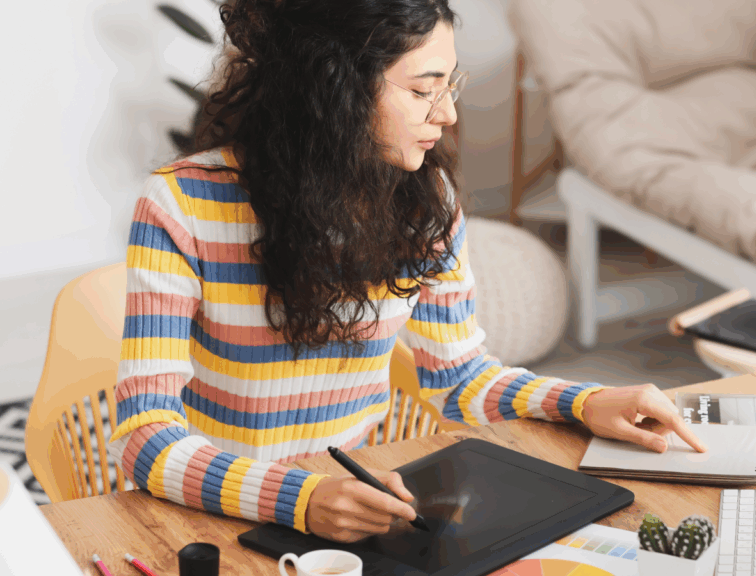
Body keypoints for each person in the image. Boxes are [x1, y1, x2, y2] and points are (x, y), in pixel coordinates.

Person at [109, 0, 706, 544]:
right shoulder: (183, 203)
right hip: (217, 515)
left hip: (359, 511)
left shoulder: (428, 200)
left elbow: (461, 378)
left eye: (450, 86)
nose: (446, 113)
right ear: (332, 89)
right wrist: (299, 497)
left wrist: (586, 401)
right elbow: (145, 431)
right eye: (423, 91)